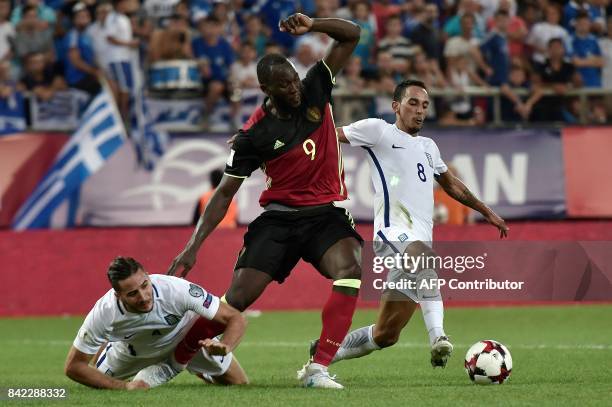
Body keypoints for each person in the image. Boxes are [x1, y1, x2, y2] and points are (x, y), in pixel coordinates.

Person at [168, 13, 362, 389]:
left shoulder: (316, 85)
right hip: (279, 219)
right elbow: (224, 193)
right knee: (237, 298)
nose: (294, 90)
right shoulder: (253, 135)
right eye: (284, 86)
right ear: (265, 88)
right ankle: (176, 355)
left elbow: (353, 35)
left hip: (326, 214)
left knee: (351, 270)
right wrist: (192, 247)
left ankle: (317, 368)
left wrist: (314, 25)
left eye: (293, 80)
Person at [307, 79, 508, 369]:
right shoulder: (378, 131)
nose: (420, 110)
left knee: (386, 333)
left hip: (418, 244)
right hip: (391, 233)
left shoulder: (429, 147)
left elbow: (451, 185)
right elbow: (327, 134)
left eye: (425, 105)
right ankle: (439, 338)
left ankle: (326, 352)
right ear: (396, 106)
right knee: (423, 257)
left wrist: (486, 211)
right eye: (413, 103)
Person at [64, 256, 248, 389]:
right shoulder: (104, 312)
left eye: (144, 285)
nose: (143, 297)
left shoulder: (176, 289)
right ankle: (108, 346)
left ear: (148, 276)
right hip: (131, 354)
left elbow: (235, 318)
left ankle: (194, 366)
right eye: (132, 293)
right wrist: (124, 387)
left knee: (239, 383)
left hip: (186, 340)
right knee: (99, 383)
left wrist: (226, 345)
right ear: (118, 295)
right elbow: (74, 367)